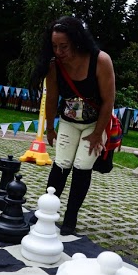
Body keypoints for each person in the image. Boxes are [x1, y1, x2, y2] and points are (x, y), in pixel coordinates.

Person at [31, 16, 115, 235]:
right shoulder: (54, 65)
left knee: (82, 166)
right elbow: (52, 98)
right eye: (54, 46)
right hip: (68, 121)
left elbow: (109, 102)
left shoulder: (100, 60)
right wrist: (50, 127)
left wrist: (98, 134)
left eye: (64, 46)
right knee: (61, 164)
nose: (59, 51)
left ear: (77, 41)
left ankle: (71, 217)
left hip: (95, 124)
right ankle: (48, 208)